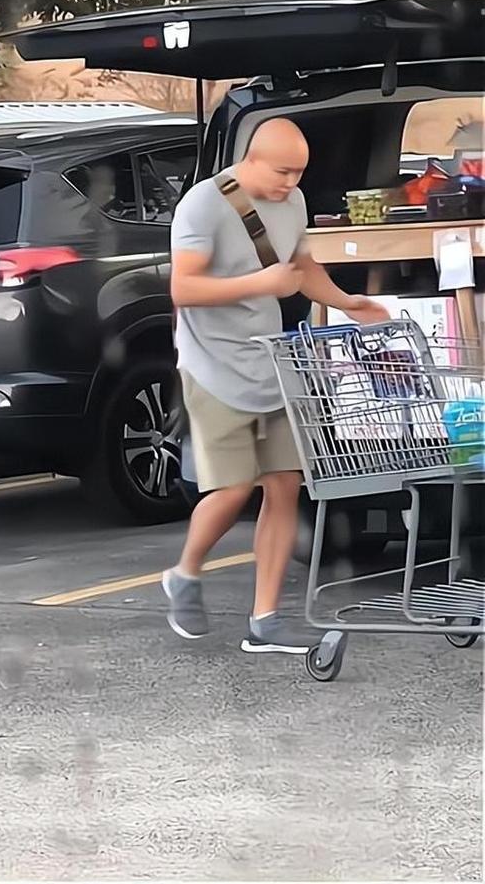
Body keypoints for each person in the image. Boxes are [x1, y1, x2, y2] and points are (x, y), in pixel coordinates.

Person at [162, 118, 390, 653]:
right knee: (232, 489)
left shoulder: (294, 202)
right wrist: (259, 283)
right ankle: (185, 573)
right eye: (282, 172)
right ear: (250, 159)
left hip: (269, 361)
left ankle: (265, 620)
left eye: (299, 173)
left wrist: (349, 303)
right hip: (213, 365)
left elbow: (301, 265)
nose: (291, 183)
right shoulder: (203, 205)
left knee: (285, 485)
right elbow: (183, 288)